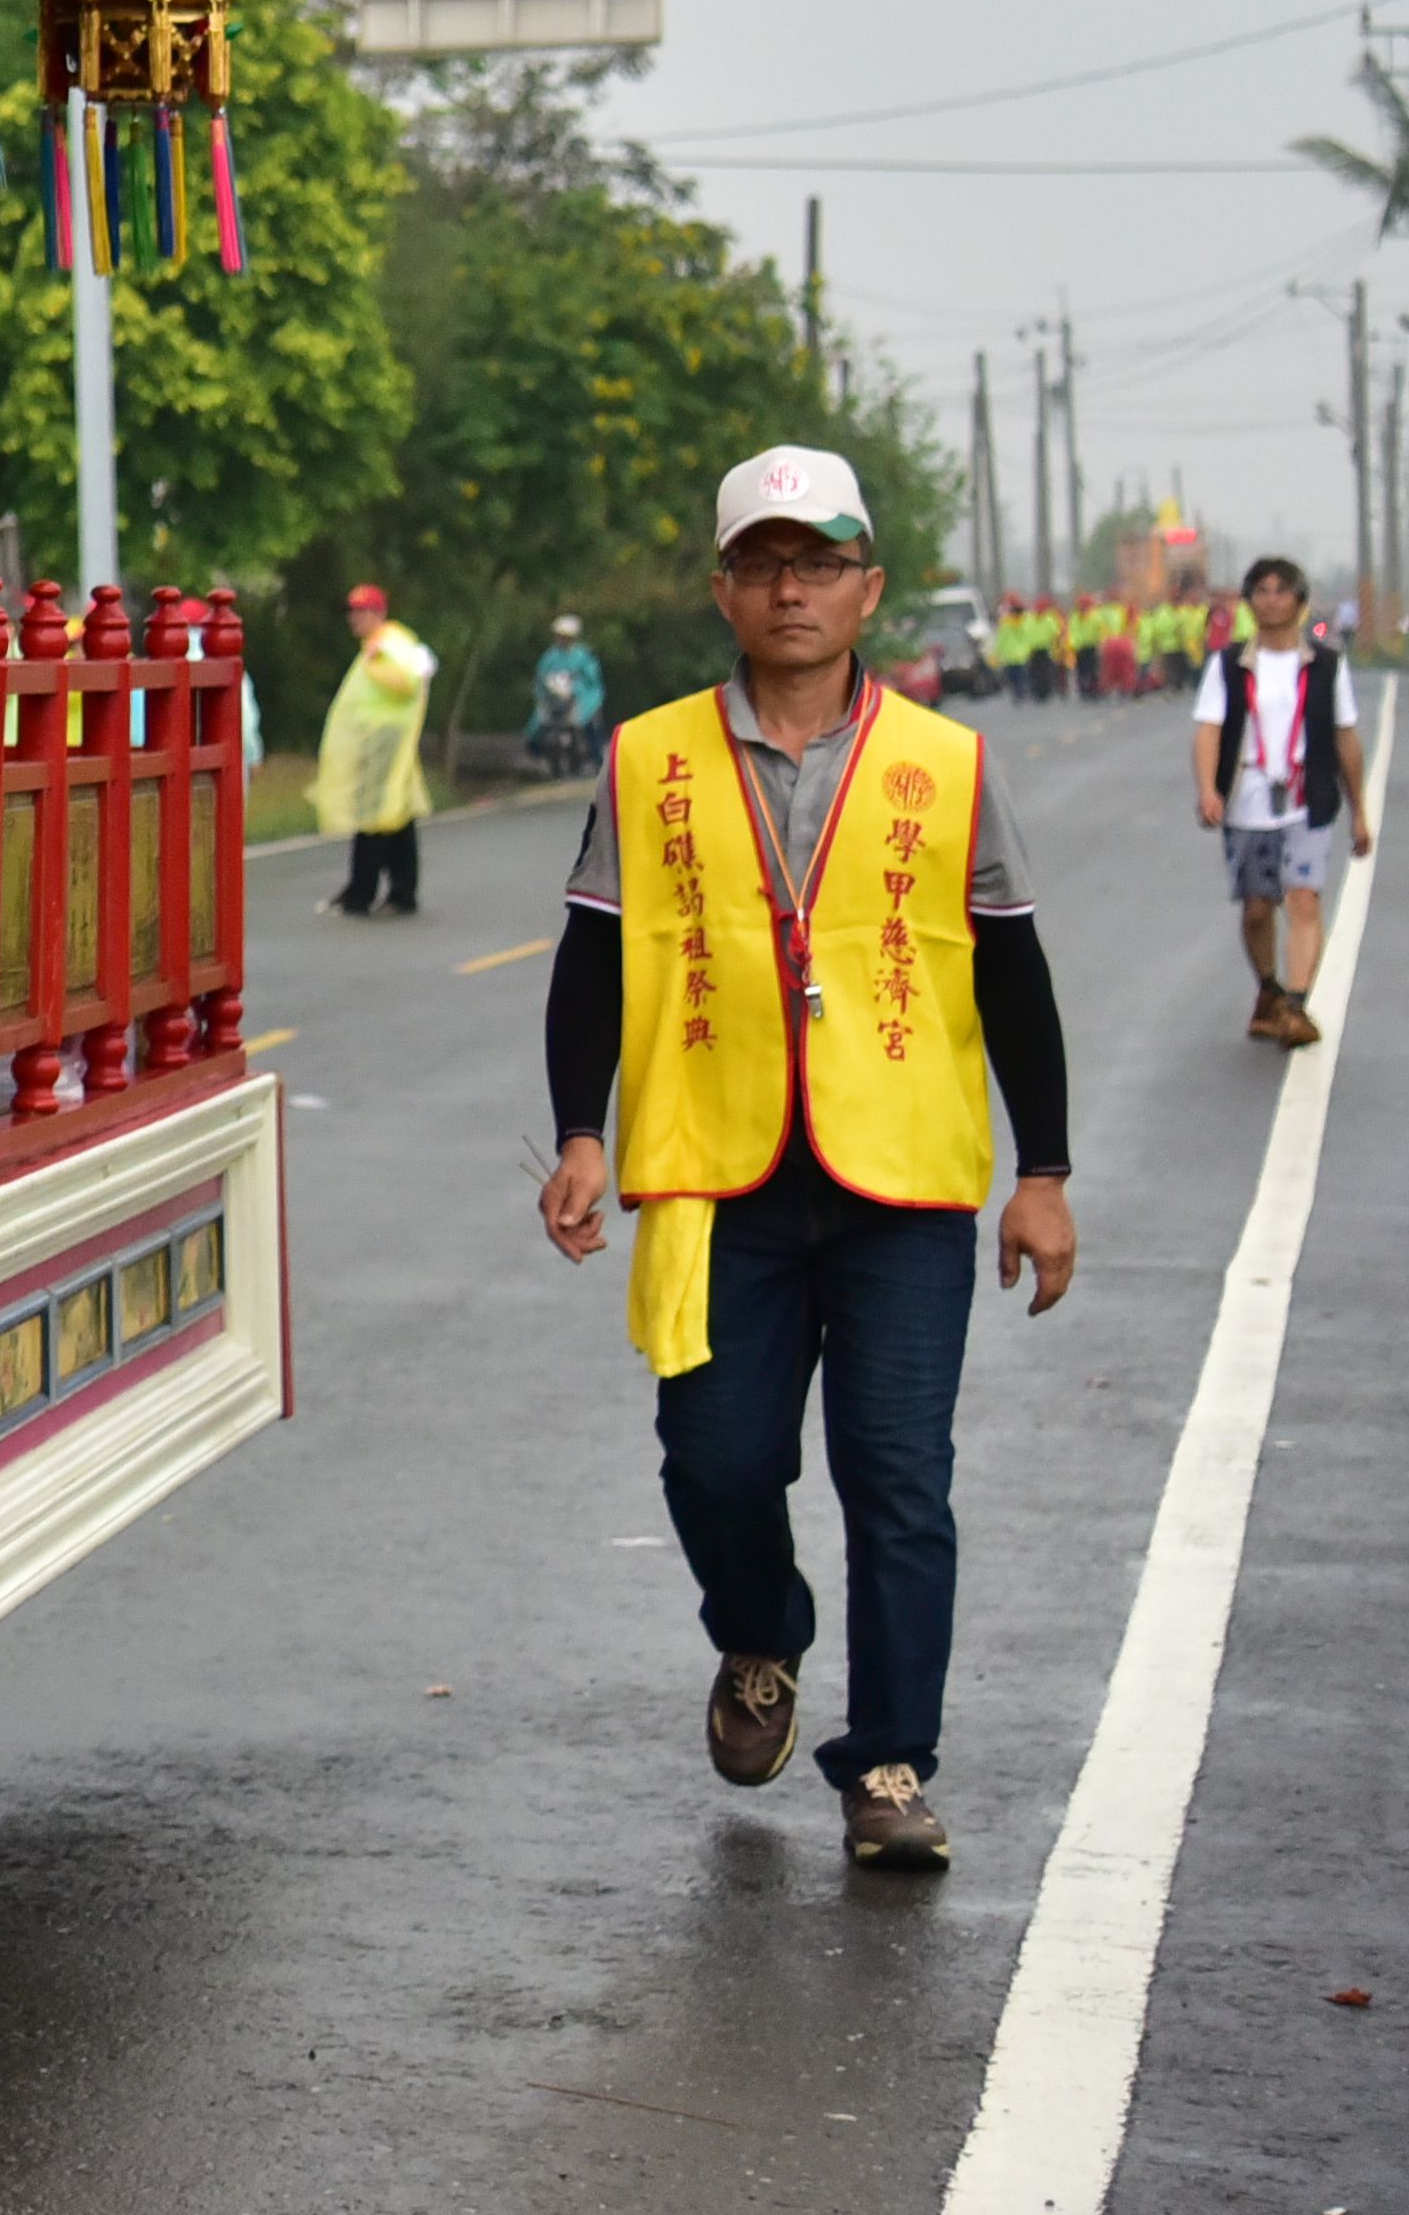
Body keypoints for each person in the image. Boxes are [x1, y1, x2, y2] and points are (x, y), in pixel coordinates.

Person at [534, 444, 1076, 1873]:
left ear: (867, 588)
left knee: (898, 1478)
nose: (793, 588)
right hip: (719, 1179)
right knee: (715, 1458)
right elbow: (592, 958)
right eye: (764, 563)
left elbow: (1012, 973)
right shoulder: (649, 758)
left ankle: (888, 1762)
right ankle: (760, 1634)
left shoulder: (947, 765)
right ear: (723, 589)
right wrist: (581, 1131)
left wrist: (1045, 1172)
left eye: (820, 562)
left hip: (902, 1183)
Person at [1189, 551, 1362, 1049]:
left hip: (1308, 799)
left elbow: (1346, 738)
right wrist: (1208, 789)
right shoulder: (1229, 665)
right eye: (1261, 591)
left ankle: (1297, 1006)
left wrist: (1359, 812)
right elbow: (1208, 730)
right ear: (1248, 602)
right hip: (1248, 801)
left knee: (1303, 898)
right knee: (1257, 909)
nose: (1271, 600)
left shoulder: (1326, 666)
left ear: (1299, 601)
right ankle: (1269, 988)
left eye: (1281, 591)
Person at [315, 584, 437, 915]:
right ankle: (400, 892)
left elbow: (408, 683)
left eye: (362, 612)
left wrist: (377, 664)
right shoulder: (382, 643)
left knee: (374, 816)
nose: (354, 618)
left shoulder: (388, 645)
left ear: (379, 613)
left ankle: (363, 893)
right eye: (352, 612)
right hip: (380, 743)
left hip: (385, 743)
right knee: (394, 814)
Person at [530, 614, 610, 784]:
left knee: (589, 724)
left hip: (582, 697)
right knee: (536, 725)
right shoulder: (550, 656)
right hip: (554, 699)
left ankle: (597, 760)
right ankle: (538, 754)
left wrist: (577, 684)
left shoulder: (583, 655)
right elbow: (541, 676)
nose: (562, 639)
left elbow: (592, 679)